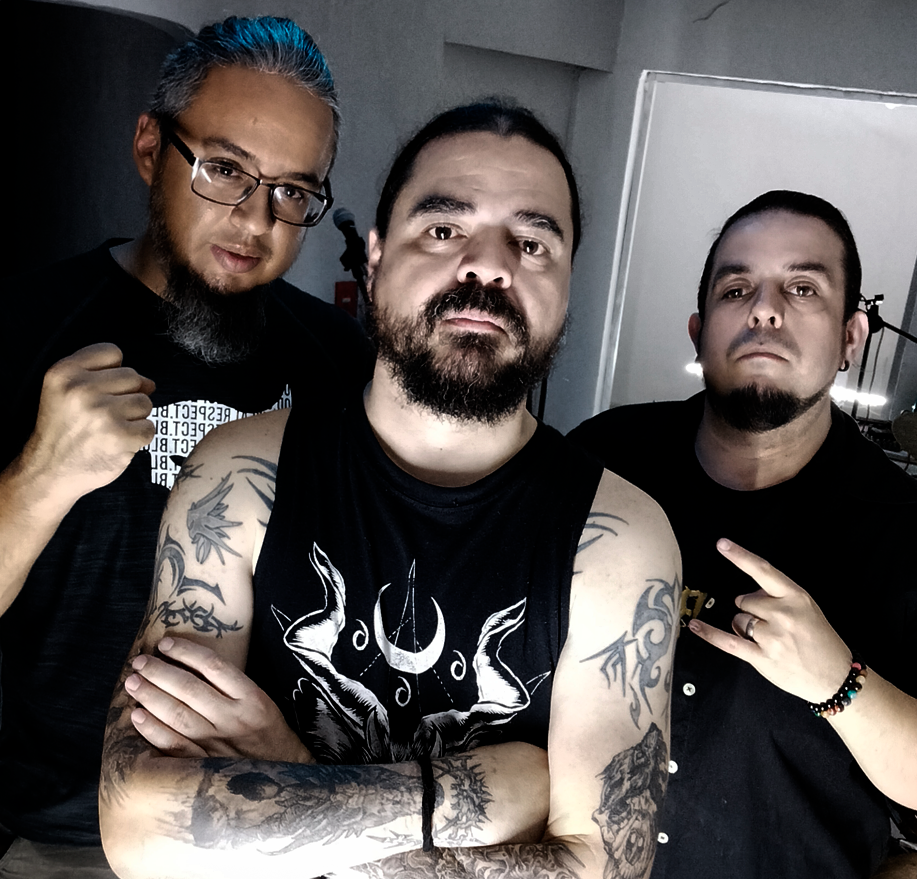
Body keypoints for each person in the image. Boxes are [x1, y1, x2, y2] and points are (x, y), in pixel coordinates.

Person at [99, 101, 680, 879]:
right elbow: (140, 828)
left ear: (566, 284)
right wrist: (479, 797)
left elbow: (601, 871)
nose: (488, 267)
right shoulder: (240, 478)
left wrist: (287, 763)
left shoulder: (616, 538)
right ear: (373, 259)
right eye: (442, 229)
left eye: (532, 242)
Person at [0, 15, 371, 877]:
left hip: (277, 821)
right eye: (225, 170)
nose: (256, 219)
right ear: (148, 149)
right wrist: (37, 480)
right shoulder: (21, 328)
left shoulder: (340, 363)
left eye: (293, 191)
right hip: (68, 836)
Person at [569, 190, 917, 879]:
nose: (764, 309)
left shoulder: (903, 531)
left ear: (851, 338)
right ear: (698, 331)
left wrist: (838, 682)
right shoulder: (599, 462)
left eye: (802, 288)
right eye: (736, 289)